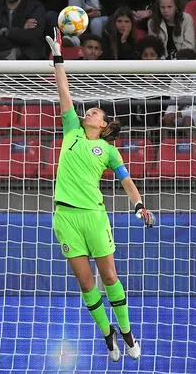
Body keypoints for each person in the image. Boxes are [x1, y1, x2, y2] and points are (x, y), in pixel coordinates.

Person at [45, 27, 155, 362]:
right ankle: (108, 335)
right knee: (87, 284)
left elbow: (126, 180)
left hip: (94, 216)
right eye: (89, 110)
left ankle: (127, 333)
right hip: (65, 217)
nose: (90, 110)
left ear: (104, 126)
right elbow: (64, 91)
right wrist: (59, 58)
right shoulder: (71, 130)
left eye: (96, 112)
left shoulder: (107, 150)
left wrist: (138, 204)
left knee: (109, 276)